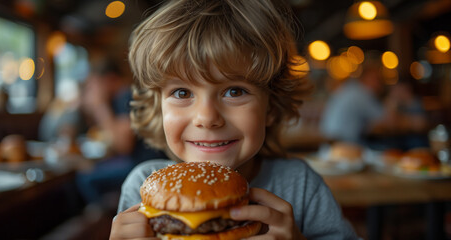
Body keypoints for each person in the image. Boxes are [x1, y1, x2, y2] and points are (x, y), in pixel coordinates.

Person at [110, 0, 359, 239]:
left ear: (271, 106)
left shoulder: (300, 185)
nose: (207, 118)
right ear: (160, 108)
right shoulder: (143, 187)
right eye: (182, 93)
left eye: (235, 91)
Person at [76, 58, 166, 206]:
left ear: (110, 79)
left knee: (86, 179)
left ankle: (105, 221)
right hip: (137, 161)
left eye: (95, 84)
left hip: (146, 166)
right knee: (90, 170)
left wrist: (100, 106)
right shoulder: (121, 97)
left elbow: (124, 146)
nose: (92, 91)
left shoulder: (126, 95)